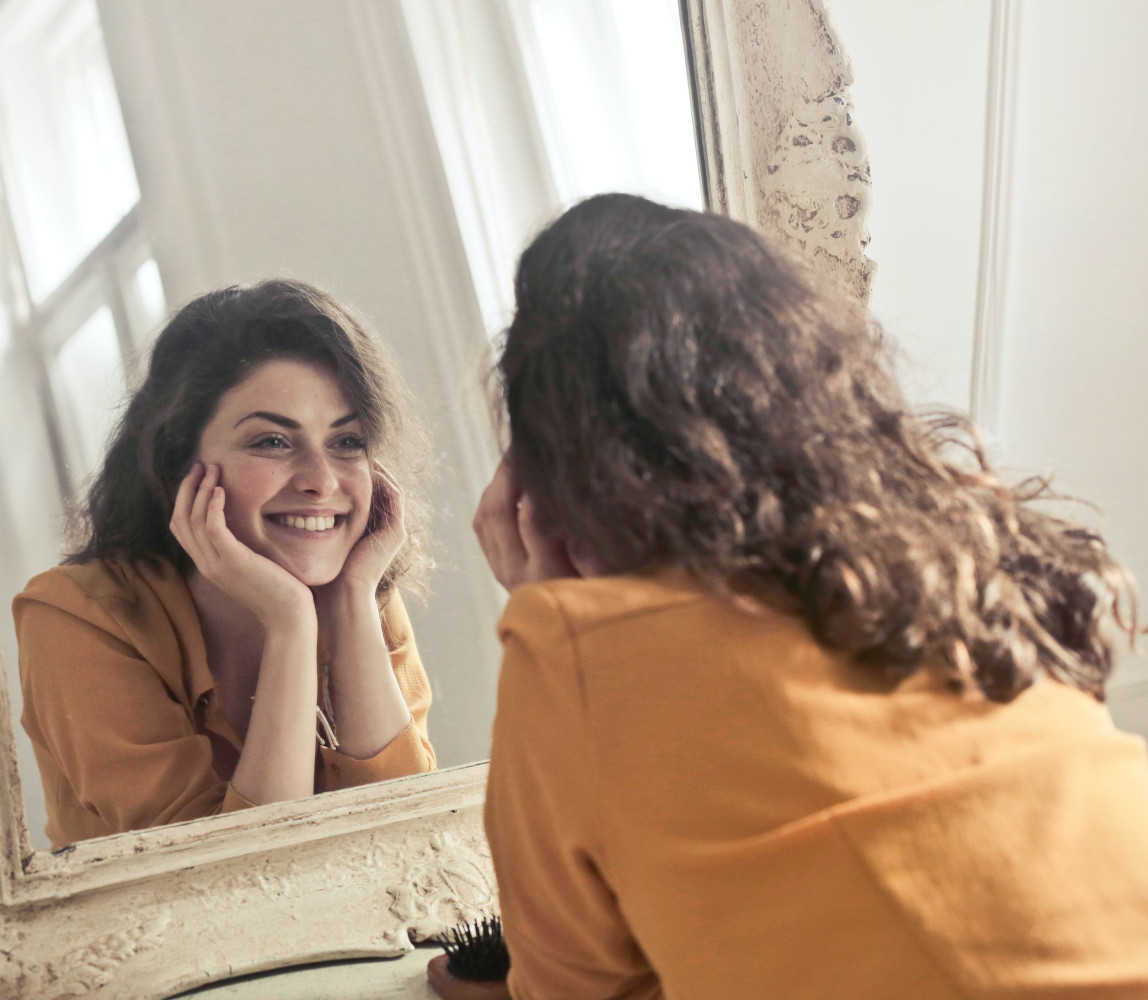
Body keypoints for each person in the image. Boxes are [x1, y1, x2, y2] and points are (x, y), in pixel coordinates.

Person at [473, 194, 1148, 999]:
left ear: (548, 488)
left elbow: (576, 993)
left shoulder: (577, 653)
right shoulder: (959, 548)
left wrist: (547, 610)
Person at [15, 279, 435, 849]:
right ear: (176, 464)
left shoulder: (360, 594)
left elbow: (411, 843)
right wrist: (289, 624)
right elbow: (223, 881)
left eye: (347, 441)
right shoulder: (77, 617)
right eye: (271, 442)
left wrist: (351, 604)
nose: (321, 481)